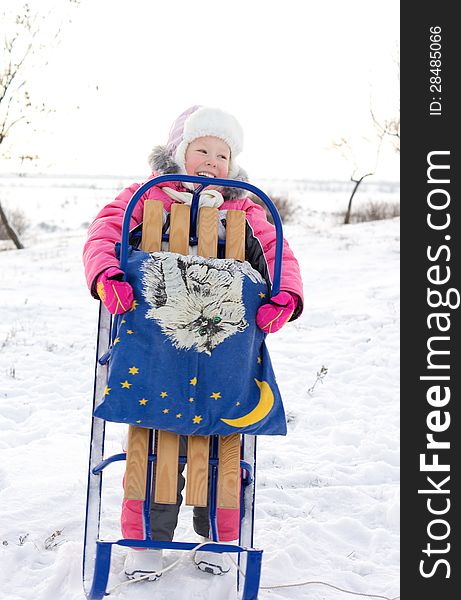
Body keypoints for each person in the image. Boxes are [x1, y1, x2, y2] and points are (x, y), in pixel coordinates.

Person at [83, 105, 304, 580]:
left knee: (220, 437)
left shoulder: (242, 207)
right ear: (179, 153)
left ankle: (221, 537)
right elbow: (104, 232)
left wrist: (285, 291)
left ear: (233, 162)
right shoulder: (146, 196)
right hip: (157, 342)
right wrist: (107, 275)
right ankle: (145, 539)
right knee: (153, 439)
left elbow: (274, 249)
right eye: (200, 149)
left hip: (221, 346)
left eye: (221, 154)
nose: (211, 160)